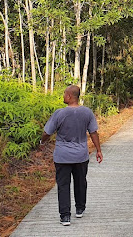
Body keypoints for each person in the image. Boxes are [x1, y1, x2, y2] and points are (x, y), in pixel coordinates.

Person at [41, 85, 103, 226]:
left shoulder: (59, 113)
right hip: (81, 155)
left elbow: (47, 133)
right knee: (80, 182)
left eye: (64, 94)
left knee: (63, 185)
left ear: (69, 96)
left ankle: (65, 216)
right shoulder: (87, 112)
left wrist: (42, 142)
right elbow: (93, 132)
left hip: (62, 156)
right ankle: (80, 208)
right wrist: (98, 150)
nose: (63, 96)